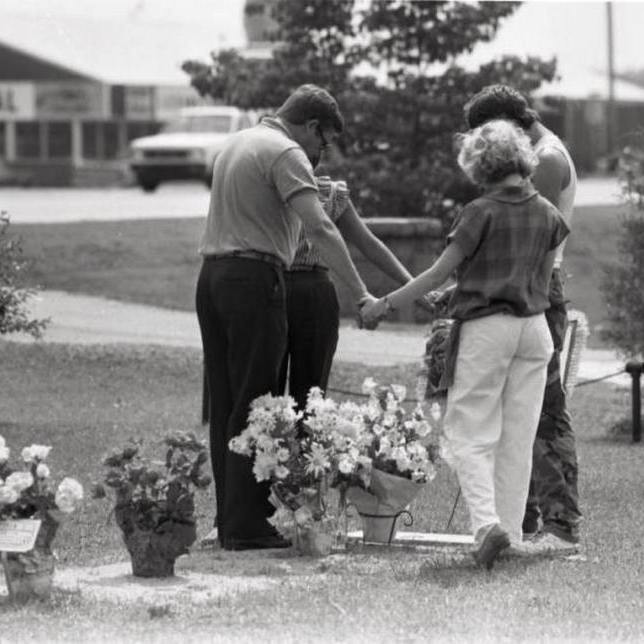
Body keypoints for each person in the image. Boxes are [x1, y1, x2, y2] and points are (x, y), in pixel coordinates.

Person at [361, 119, 568, 569]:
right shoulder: (549, 213)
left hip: (487, 329)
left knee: (468, 433)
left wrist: (385, 304)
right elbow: (538, 278)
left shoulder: (479, 212)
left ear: (480, 163)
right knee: (517, 439)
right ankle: (510, 533)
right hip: (534, 331)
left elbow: (438, 273)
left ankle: (486, 527)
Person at [196, 84, 377, 551]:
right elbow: (319, 225)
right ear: (311, 126)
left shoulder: (236, 142)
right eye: (324, 141)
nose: (320, 153)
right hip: (255, 279)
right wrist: (359, 294)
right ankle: (249, 526)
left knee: (227, 400)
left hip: (212, 277)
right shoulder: (286, 152)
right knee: (258, 402)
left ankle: (227, 519)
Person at [463, 85, 582, 554]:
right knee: (515, 408)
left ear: (507, 124)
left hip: (535, 287)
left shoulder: (547, 159)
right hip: (523, 285)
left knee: (545, 409)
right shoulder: (530, 154)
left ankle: (560, 523)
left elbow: (531, 236)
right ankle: (521, 516)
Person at [278, 174, 413, 409]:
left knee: (311, 393)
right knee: (265, 386)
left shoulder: (331, 193)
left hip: (314, 288)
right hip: (272, 284)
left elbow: (369, 244)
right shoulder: (271, 182)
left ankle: (308, 442)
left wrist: (413, 286)